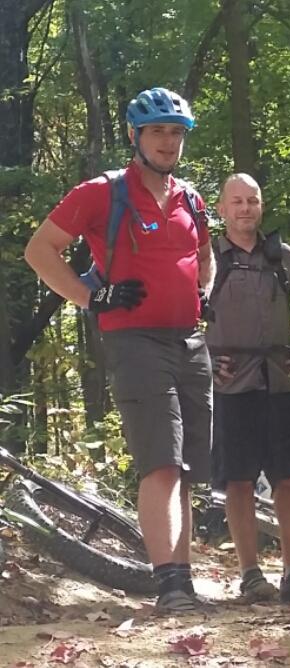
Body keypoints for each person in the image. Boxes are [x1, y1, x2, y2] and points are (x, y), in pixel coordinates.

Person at [24, 87, 214, 612]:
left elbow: (205, 253)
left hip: (190, 340)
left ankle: (183, 583)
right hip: (135, 341)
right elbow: (39, 250)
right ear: (135, 136)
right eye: (157, 132)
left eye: (176, 132)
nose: (168, 142)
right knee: (161, 462)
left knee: (187, 469)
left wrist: (204, 291)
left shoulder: (190, 198)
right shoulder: (100, 192)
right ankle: (169, 585)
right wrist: (91, 296)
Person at [206, 173, 290, 603]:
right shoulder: (206, 259)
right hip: (230, 386)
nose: (245, 208)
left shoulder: (284, 258)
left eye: (252, 201)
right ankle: (251, 575)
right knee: (238, 481)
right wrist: (203, 361)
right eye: (237, 201)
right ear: (221, 209)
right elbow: (180, 316)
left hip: (281, 382)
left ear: (261, 206)